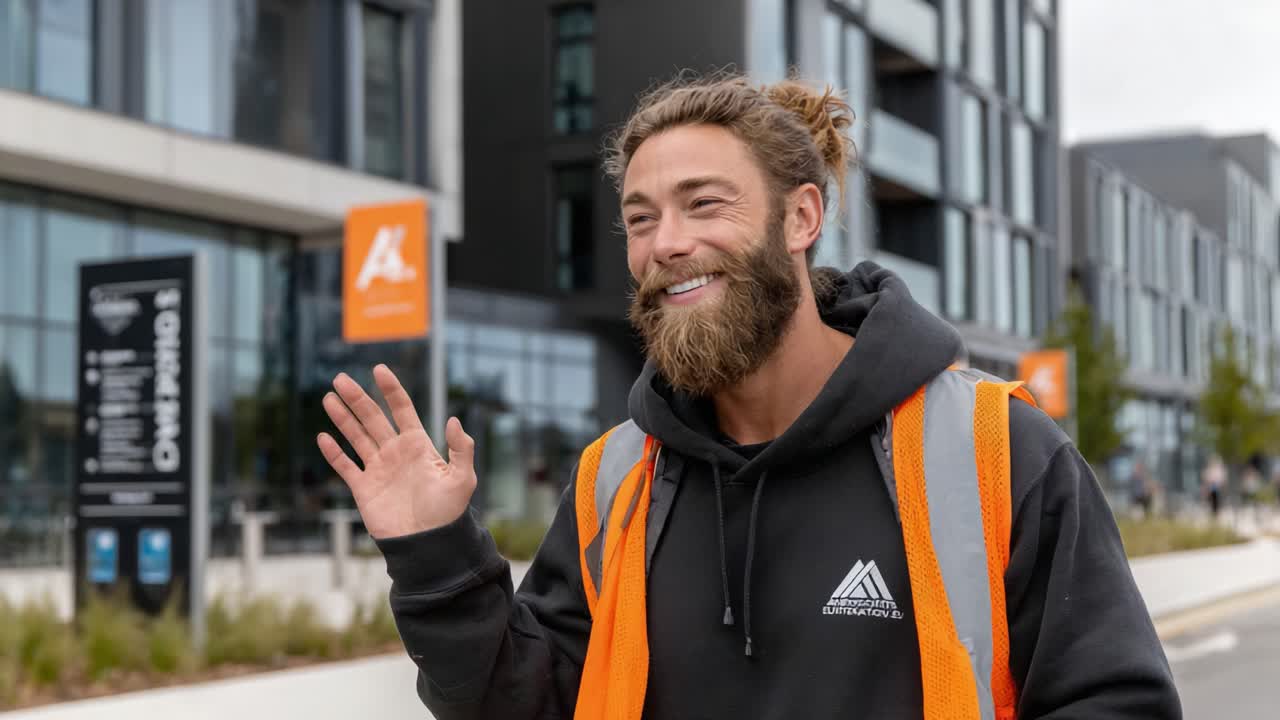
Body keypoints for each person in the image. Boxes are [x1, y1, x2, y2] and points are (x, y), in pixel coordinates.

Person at [318, 74, 1180, 719]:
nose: (667, 243)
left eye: (703, 205)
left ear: (800, 219)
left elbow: (1115, 701)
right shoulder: (614, 482)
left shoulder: (996, 449)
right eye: (642, 218)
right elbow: (523, 705)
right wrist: (436, 556)